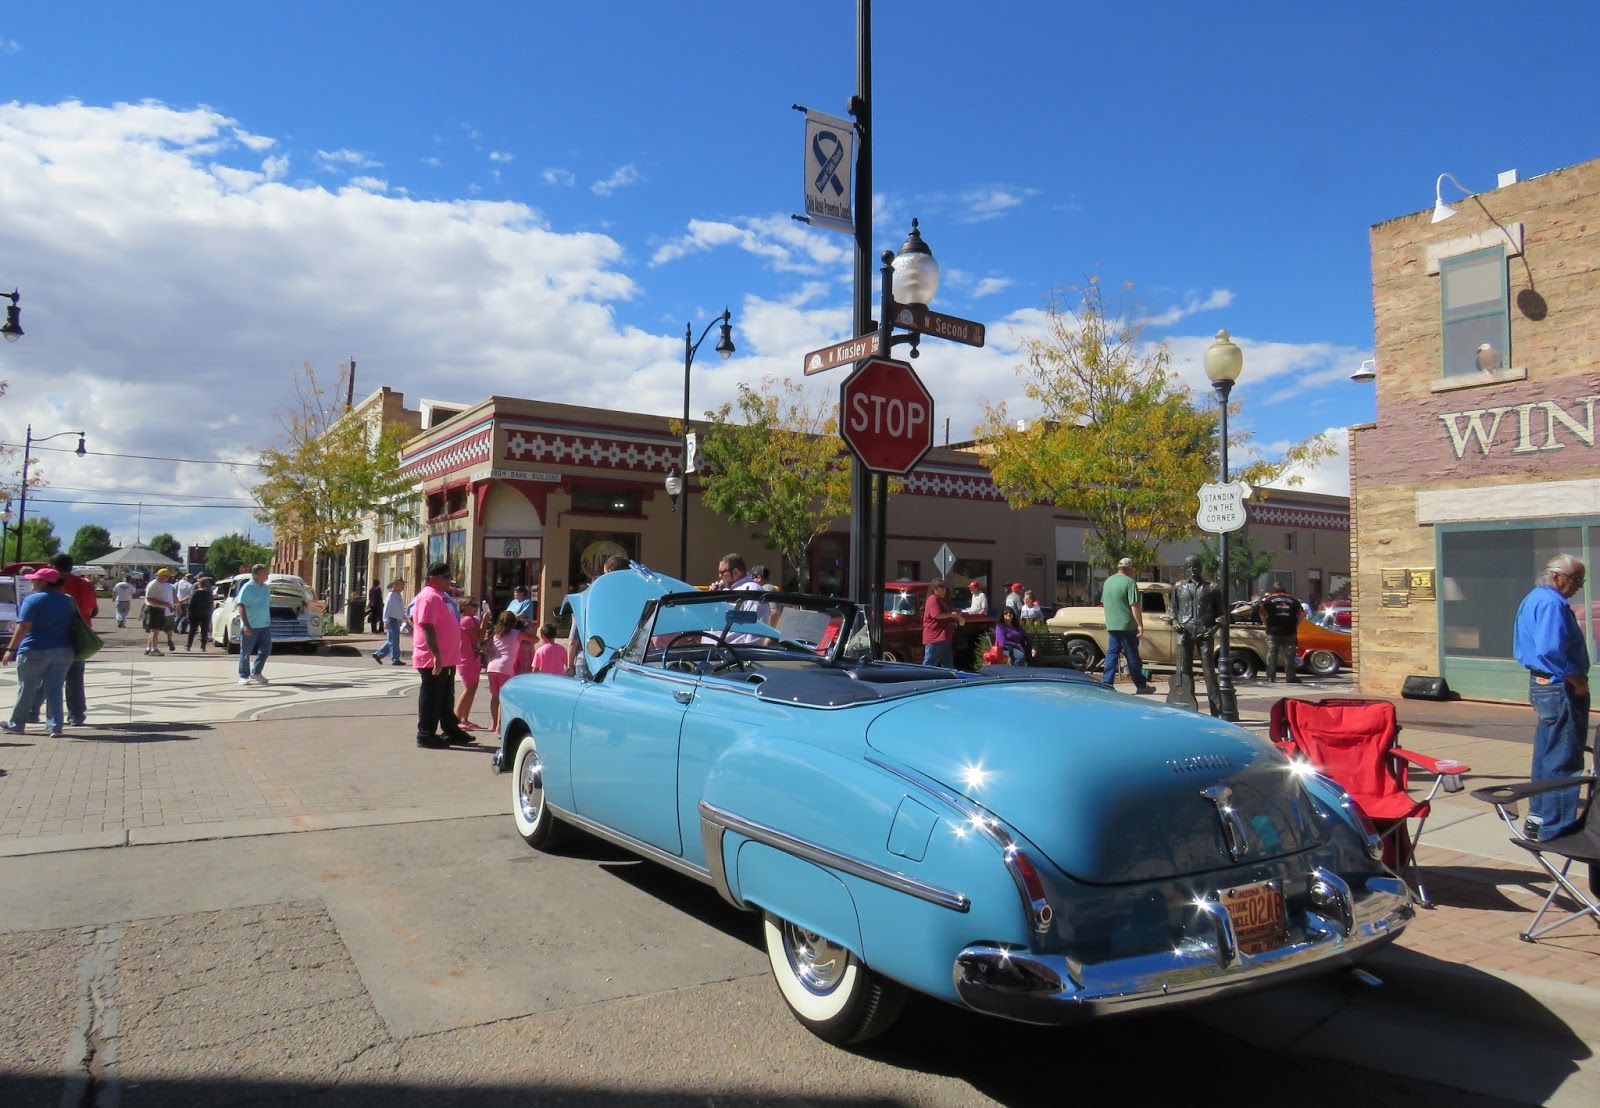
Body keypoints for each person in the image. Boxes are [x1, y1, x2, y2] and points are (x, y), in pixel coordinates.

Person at [1512, 554, 1591, 842]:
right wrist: (1576, 680)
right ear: (1557, 577)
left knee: (1546, 754)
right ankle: (1555, 828)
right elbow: (1550, 648)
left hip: (1544, 685)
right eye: (1576, 580)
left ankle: (1539, 818)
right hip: (1559, 686)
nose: (1579, 587)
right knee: (1564, 759)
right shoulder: (1552, 602)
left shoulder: (1536, 597)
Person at [1, 566, 76, 736]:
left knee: (27, 687)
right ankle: (55, 725)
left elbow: (24, 625)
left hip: (34, 649)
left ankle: (17, 723)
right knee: (55, 689)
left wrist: (10, 648)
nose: (31, 582)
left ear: (43, 582)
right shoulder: (67, 600)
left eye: (34, 579)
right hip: (63, 650)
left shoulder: (33, 600)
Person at [412, 561, 473, 749]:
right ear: (432, 579)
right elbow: (427, 626)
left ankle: (451, 730)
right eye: (445, 577)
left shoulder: (441, 596)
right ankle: (426, 733)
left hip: (448, 657)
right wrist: (436, 654)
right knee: (432, 696)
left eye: (449, 576)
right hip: (433, 658)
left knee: (446, 696)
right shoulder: (428, 597)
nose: (449, 580)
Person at [1169, 554, 1223, 714]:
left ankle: (1217, 709)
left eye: (1195, 566)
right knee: (1183, 671)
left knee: (1209, 672)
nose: (1193, 570)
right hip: (1184, 631)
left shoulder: (1212, 588)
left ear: (1201, 567)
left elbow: (1221, 615)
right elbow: (1173, 610)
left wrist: (1212, 630)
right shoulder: (1179, 587)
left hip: (1204, 631)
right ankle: (1187, 706)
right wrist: (1174, 622)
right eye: (1189, 567)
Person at [51, 555, 99, 727]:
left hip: (54, 633)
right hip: (79, 634)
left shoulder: (51, 583)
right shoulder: (85, 584)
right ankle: (76, 715)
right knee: (75, 676)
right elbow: (94, 609)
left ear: (53, 567)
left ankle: (34, 712)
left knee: (47, 676)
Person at [1102, 557, 1156, 694]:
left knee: (1112, 654)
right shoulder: (1130, 583)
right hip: (1127, 625)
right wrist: (1140, 624)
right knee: (1132, 657)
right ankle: (1141, 685)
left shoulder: (1108, 581)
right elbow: (1135, 605)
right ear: (1129, 568)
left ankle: (1107, 683)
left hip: (1112, 625)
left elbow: (1105, 602)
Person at [486, 608, 528, 733]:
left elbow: (485, 647)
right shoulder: (517, 634)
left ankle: (493, 724)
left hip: (492, 666)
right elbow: (534, 639)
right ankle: (499, 726)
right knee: (503, 697)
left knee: (494, 696)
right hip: (506, 666)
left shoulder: (496, 633)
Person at [235, 564, 274, 686]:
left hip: (264, 625)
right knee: (246, 652)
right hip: (251, 626)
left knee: (266, 649)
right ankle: (243, 675)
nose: (267, 575)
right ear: (256, 574)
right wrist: (246, 624)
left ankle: (256, 672)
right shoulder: (247, 587)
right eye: (265, 573)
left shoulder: (265, 588)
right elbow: (241, 606)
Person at [1257, 580, 1303, 683]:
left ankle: (1270, 677)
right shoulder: (1294, 600)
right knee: (1289, 656)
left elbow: (1261, 613)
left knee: (1272, 655)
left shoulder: (1268, 600)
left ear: (1274, 589)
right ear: (1285, 588)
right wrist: (1295, 625)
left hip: (1273, 632)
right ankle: (1290, 677)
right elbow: (1302, 614)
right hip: (1289, 632)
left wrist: (1266, 625)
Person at [454, 597, 486, 731]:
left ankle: (464, 718)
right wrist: (485, 621)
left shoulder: (474, 620)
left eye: (476, 604)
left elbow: (480, 637)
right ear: (464, 607)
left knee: (473, 688)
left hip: (473, 657)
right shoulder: (466, 620)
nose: (476, 607)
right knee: (468, 689)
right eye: (472, 605)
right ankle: (456, 719)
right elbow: (479, 637)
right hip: (465, 658)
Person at [922, 578, 965, 667]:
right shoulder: (933, 599)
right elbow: (937, 615)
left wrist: (956, 613)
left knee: (948, 665)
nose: (943, 591)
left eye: (944, 589)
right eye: (940, 589)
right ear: (934, 589)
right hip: (935, 637)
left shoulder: (943, 600)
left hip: (945, 636)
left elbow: (947, 613)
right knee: (929, 664)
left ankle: (950, 680)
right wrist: (951, 615)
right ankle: (922, 679)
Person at [143, 568, 176, 656]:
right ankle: (154, 649)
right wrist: (166, 604)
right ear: (161, 576)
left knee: (154, 630)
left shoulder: (160, 584)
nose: (168, 578)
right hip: (154, 609)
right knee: (155, 630)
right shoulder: (154, 584)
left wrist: (167, 605)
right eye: (167, 576)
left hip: (159, 609)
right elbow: (150, 599)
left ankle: (149, 648)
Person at [373, 580, 406, 665]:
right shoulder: (391, 595)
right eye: (401, 584)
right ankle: (395, 659)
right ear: (395, 585)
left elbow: (399, 609)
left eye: (403, 584)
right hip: (391, 620)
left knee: (392, 640)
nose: (403, 586)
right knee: (394, 641)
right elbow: (387, 608)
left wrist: (403, 618)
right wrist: (385, 621)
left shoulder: (398, 595)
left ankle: (378, 654)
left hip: (396, 620)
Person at [185, 576, 215, 653]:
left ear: (199, 584)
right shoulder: (209, 594)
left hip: (195, 613)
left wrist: (188, 612)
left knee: (192, 630)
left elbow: (191, 604)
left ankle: (188, 646)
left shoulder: (196, 593)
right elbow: (211, 604)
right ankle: (203, 647)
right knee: (204, 631)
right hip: (206, 614)